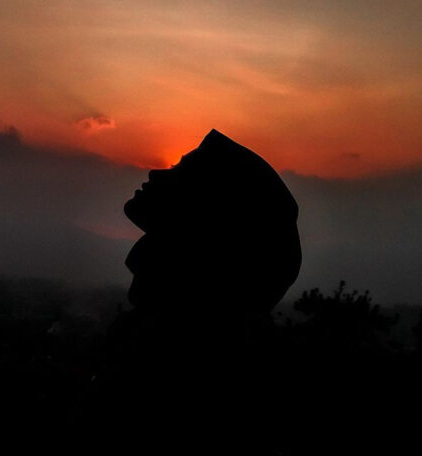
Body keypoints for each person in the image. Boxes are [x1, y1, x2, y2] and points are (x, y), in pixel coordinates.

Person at [91, 129, 301, 452]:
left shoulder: (175, 353)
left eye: (178, 171)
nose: (154, 171)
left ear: (204, 212)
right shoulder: (180, 335)